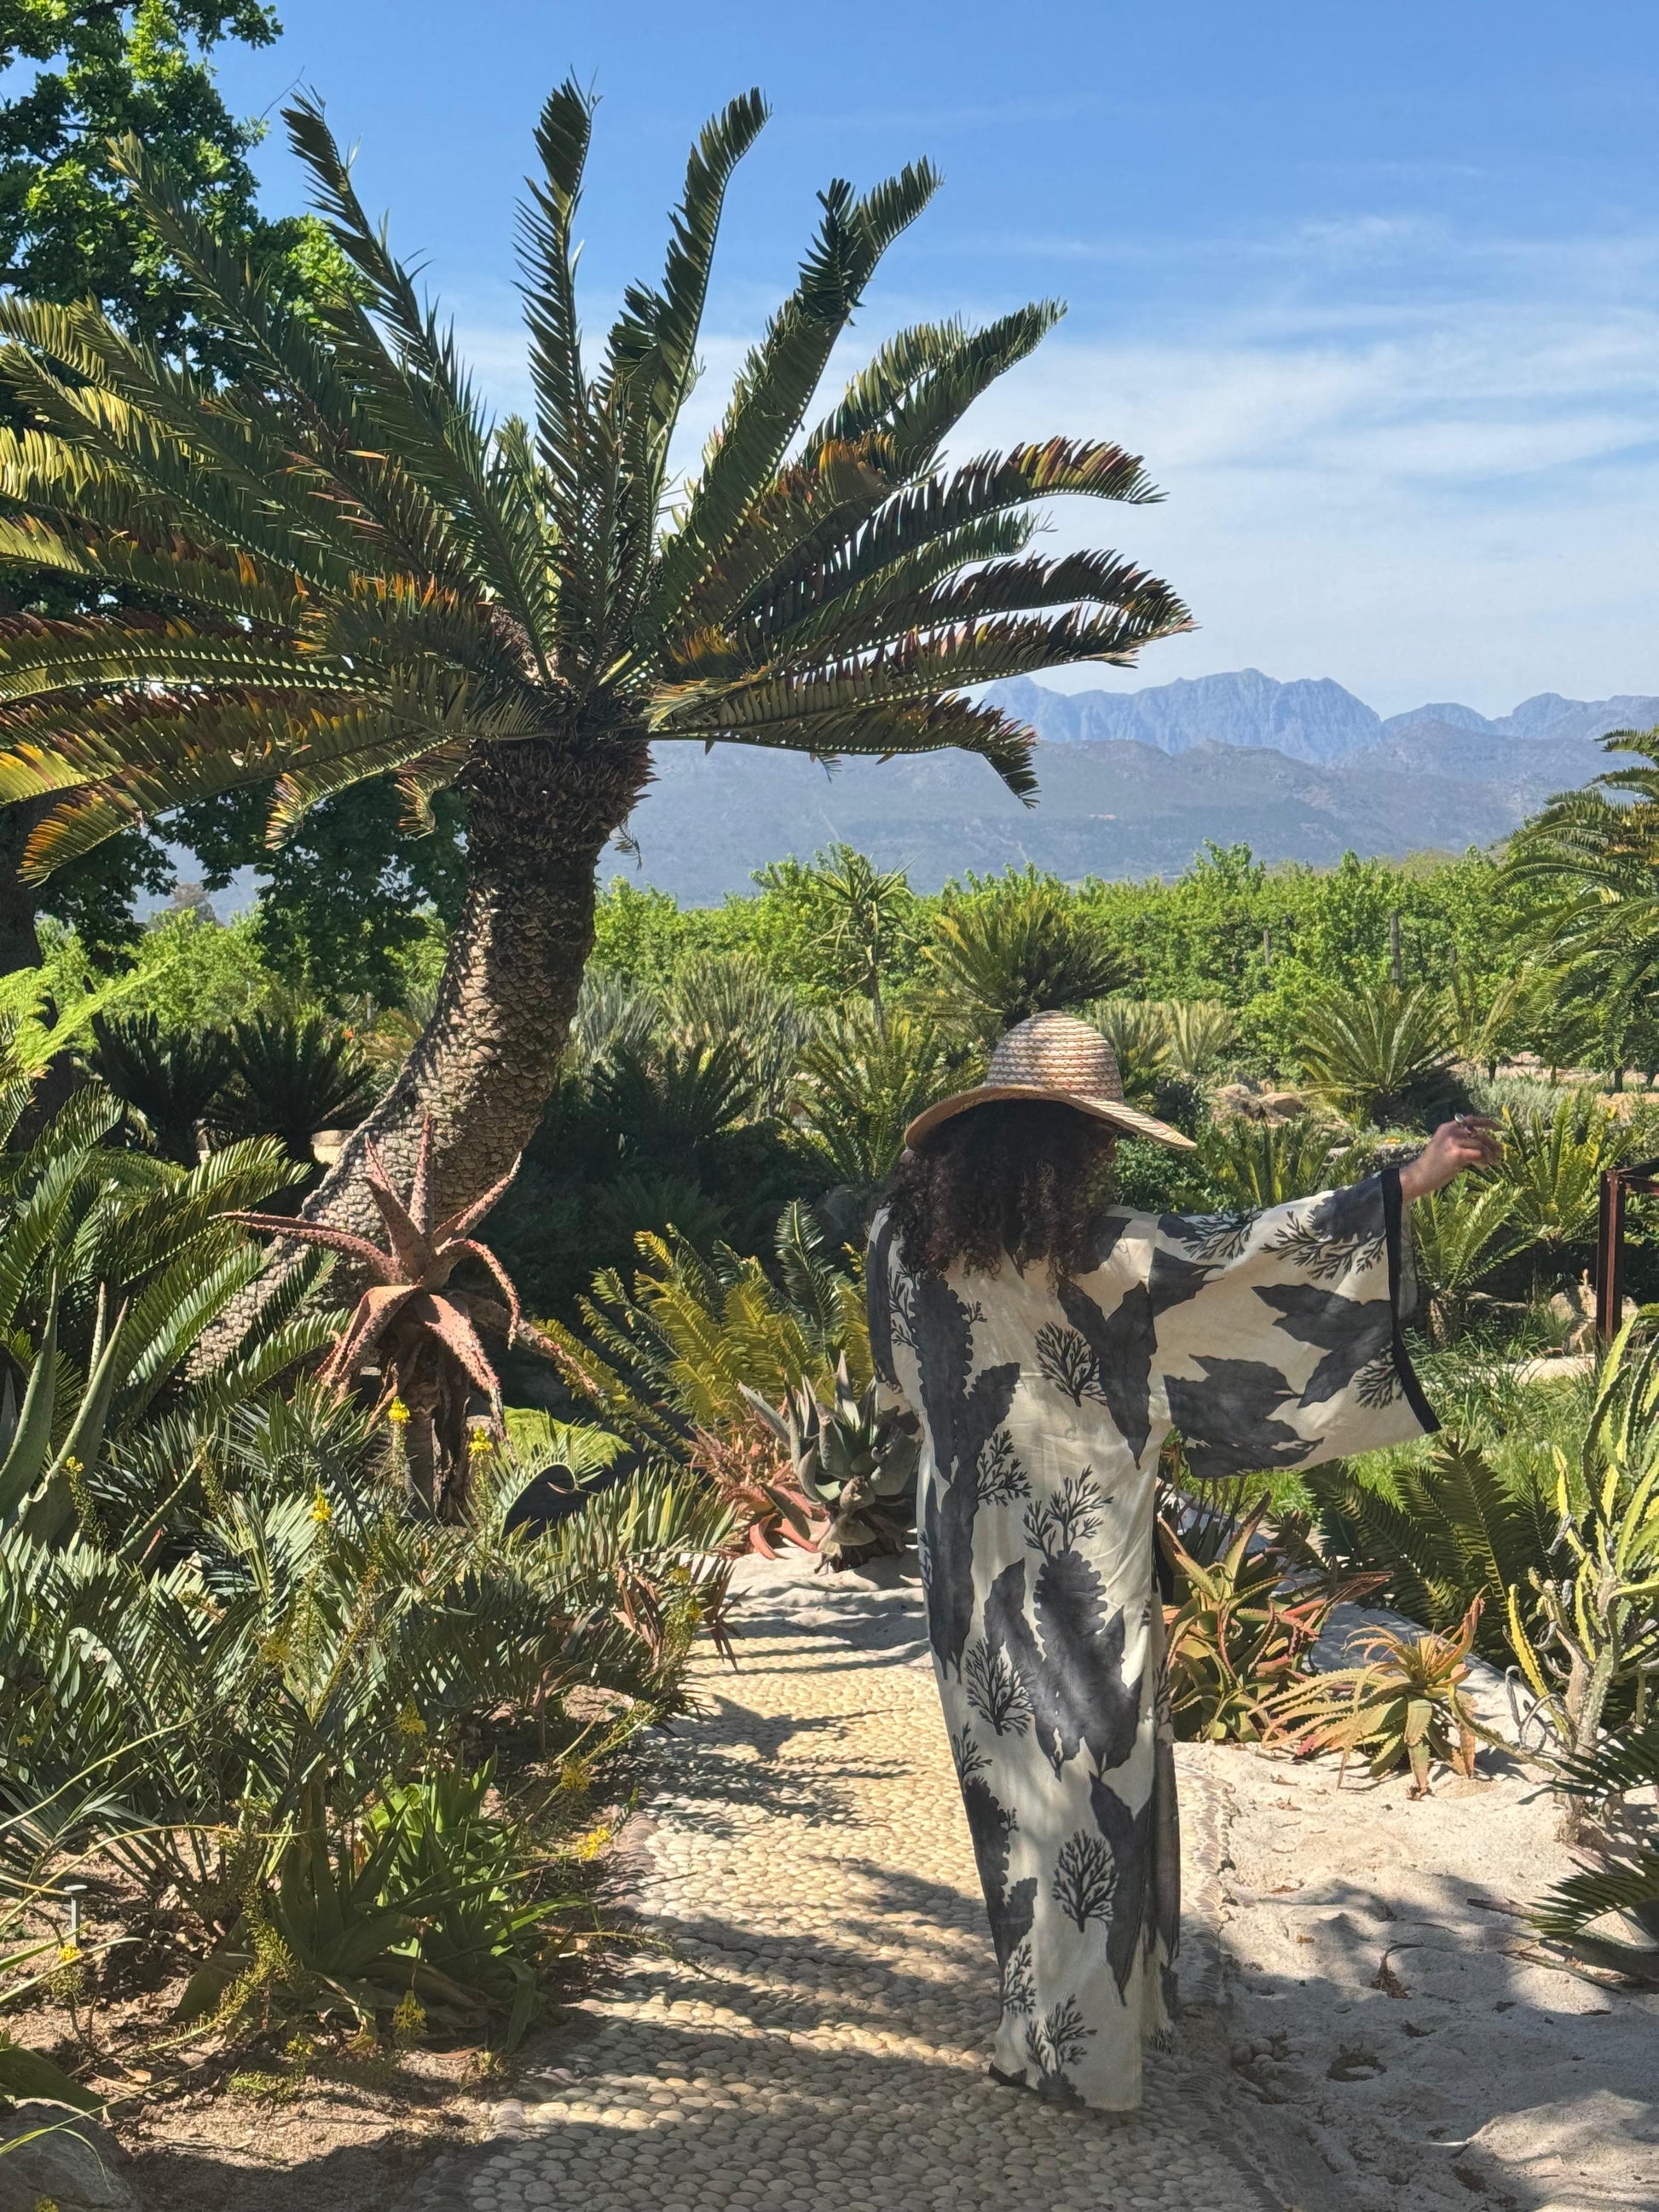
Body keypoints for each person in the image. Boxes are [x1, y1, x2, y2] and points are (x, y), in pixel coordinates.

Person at [865, 1010, 1499, 2116]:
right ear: (1071, 1148)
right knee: (1092, 1782)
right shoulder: (1110, 1262)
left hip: (962, 1541)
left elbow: (899, 1383)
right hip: (1077, 1548)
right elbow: (1258, 1252)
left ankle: (1077, 2012)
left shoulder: (897, 1238)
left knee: (1017, 1787)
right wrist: (1416, 1178)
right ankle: (1079, 2044)